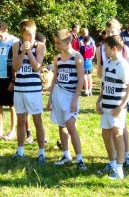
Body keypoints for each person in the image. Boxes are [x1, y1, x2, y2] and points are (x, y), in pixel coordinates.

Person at [96, 18, 129, 169]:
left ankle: (120, 167)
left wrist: (121, 107)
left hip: (117, 107)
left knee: (118, 134)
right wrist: (99, 100)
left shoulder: (123, 65)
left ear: (114, 49)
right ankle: (112, 163)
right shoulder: (107, 63)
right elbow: (104, 84)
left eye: (106, 48)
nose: (104, 51)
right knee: (105, 134)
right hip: (106, 105)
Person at [47, 29, 87, 170]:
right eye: (55, 43)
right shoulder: (57, 58)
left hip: (70, 95)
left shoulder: (77, 57)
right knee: (61, 125)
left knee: (71, 126)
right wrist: (50, 98)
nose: (56, 45)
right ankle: (66, 155)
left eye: (59, 43)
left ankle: (80, 160)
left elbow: (81, 79)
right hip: (58, 94)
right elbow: (54, 79)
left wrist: (75, 99)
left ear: (68, 42)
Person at [12, 19, 46, 163]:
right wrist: (22, 52)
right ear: (22, 34)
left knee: (37, 120)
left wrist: (29, 52)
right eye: (28, 34)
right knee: (20, 121)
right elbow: (15, 66)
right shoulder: (15, 45)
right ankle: (20, 151)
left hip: (33, 90)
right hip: (20, 88)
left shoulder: (40, 46)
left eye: (33, 33)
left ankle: (41, 152)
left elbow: (37, 66)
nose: (31, 37)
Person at [0, 21, 18, 140]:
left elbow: (16, 61)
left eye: (0, 35)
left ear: (6, 30)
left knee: (12, 105)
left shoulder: (14, 41)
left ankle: (12, 131)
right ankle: (0, 131)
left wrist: (13, 80)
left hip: (10, 77)